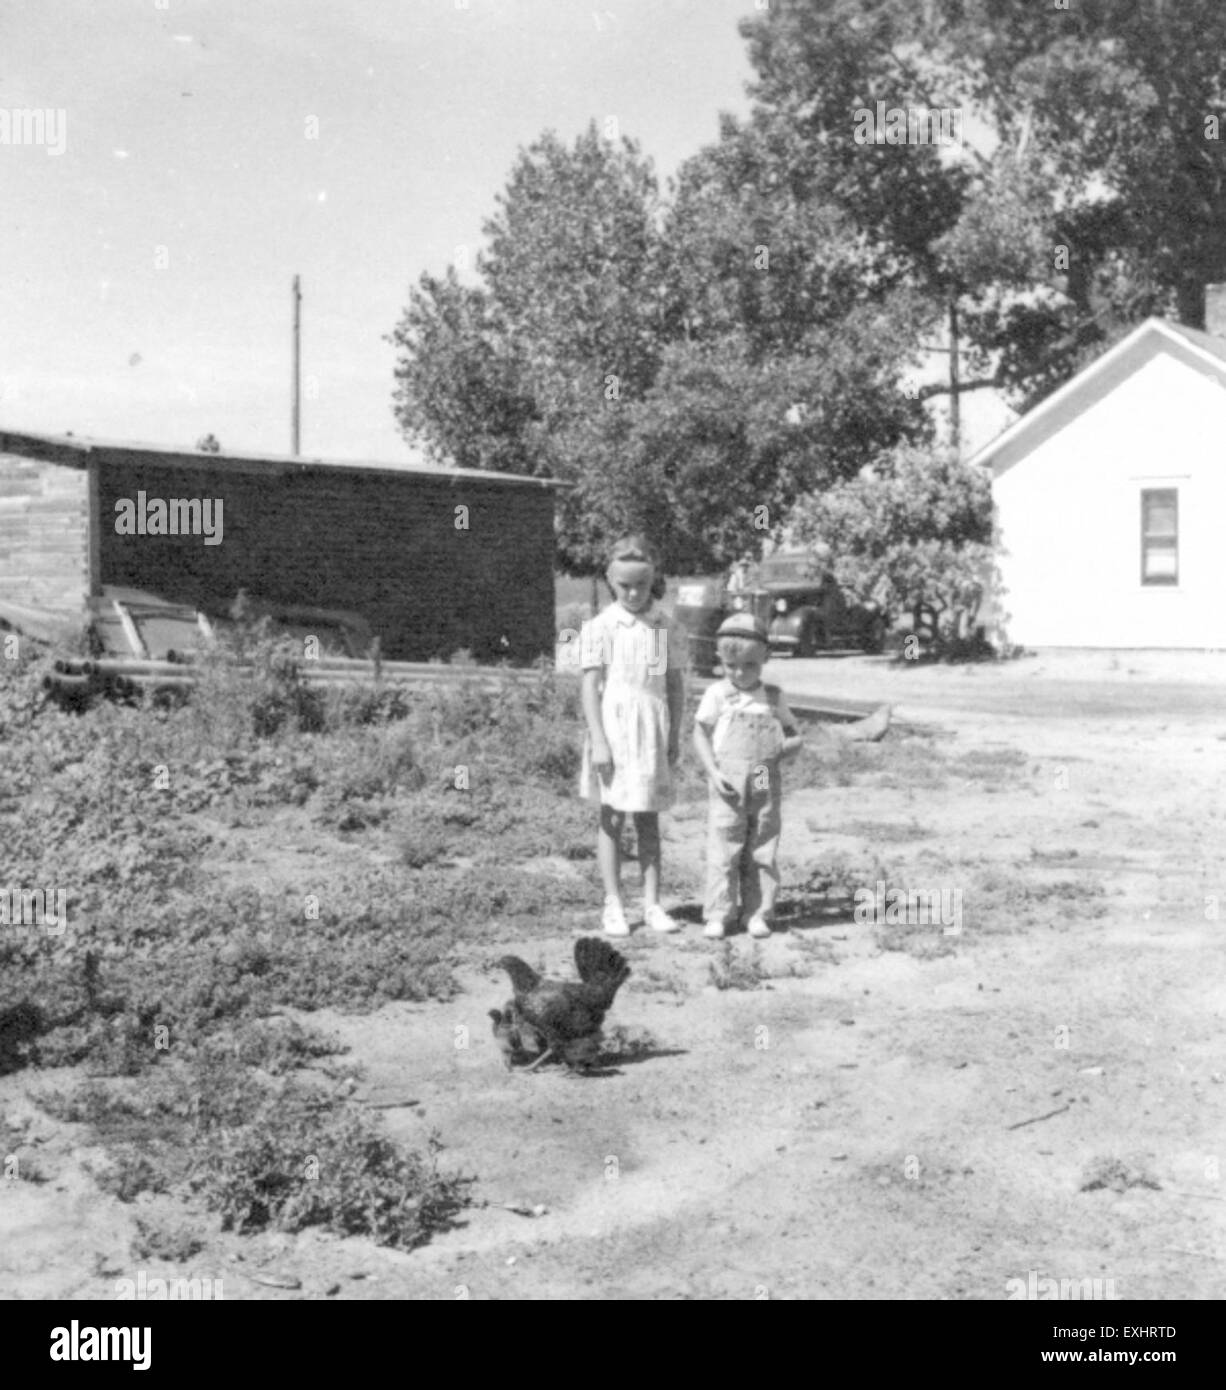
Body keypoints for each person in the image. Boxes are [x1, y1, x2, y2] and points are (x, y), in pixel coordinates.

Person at [578, 535, 686, 936]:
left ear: (652, 580)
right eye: (625, 585)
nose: (634, 593)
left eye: (642, 584)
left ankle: (653, 903)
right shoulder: (602, 626)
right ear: (611, 581)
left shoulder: (661, 625)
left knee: (648, 817)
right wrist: (600, 741)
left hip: (650, 729)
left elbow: (669, 684)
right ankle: (614, 903)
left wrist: (673, 733)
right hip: (614, 728)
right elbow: (591, 686)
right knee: (612, 815)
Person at [692, 613, 803, 938]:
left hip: (761, 778)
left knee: (761, 840)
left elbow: (793, 733)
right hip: (728, 779)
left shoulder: (772, 697)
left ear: (765, 658)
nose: (740, 673)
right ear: (721, 661)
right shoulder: (717, 694)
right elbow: (699, 734)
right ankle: (719, 913)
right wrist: (712, 771)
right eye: (731, 666)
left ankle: (756, 913)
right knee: (724, 845)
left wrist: (789, 746)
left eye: (750, 665)